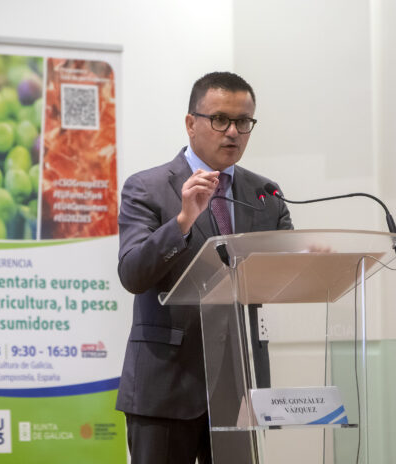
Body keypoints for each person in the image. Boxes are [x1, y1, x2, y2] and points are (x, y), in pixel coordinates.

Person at [116, 71, 292, 463]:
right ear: (190, 123)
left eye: (243, 122)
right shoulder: (147, 187)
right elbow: (132, 273)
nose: (232, 132)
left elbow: (284, 272)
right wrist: (182, 222)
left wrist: (308, 260)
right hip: (165, 384)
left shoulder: (266, 193)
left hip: (238, 388)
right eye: (220, 119)